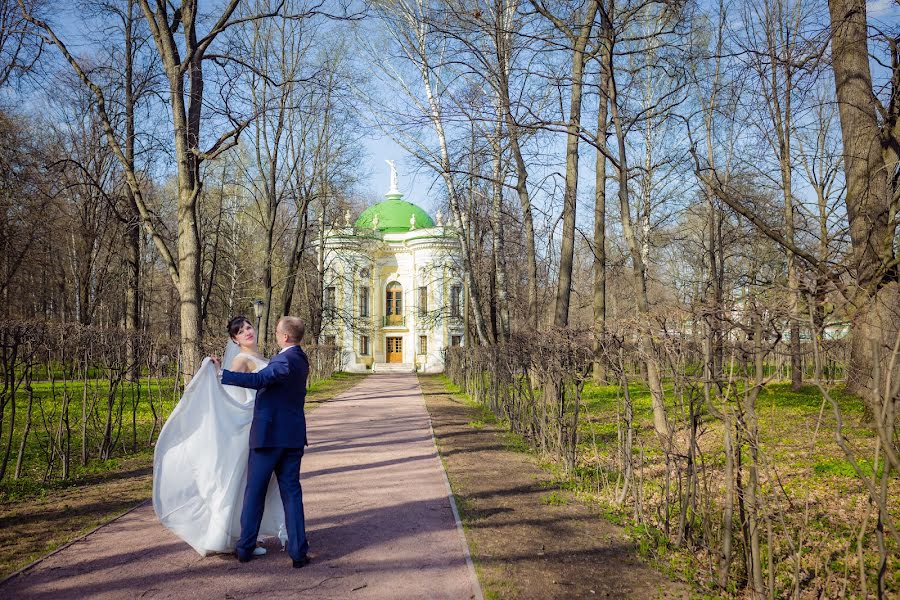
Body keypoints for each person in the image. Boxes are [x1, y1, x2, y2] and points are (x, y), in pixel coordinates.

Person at [152, 316, 285, 557]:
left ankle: (244, 536)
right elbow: (231, 395)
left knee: (252, 485)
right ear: (234, 339)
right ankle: (236, 537)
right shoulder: (240, 360)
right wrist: (215, 373)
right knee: (242, 484)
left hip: (267, 425)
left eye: (248, 327)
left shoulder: (263, 358)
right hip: (248, 426)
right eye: (240, 331)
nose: (247, 332)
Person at [215, 316, 310, 568]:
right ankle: (299, 553)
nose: (275, 334)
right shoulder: (301, 359)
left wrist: (221, 373)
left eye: (278, 331)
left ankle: (245, 548)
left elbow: (258, 381)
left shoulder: (283, 361)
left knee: (255, 492)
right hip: (292, 438)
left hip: (268, 437)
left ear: (286, 337)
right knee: (292, 493)